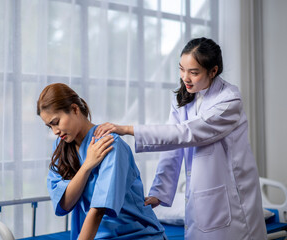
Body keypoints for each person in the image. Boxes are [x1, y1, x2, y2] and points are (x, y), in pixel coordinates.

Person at [94, 37, 267, 240]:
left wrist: (128, 129)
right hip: (203, 198)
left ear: (213, 71)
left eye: (194, 72)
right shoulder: (184, 99)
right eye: (182, 69)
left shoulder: (229, 100)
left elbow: (187, 133)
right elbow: (173, 148)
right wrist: (159, 191)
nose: (186, 78)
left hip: (233, 199)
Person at [37, 83, 167, 240]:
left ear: (75, 109)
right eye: (49, 126)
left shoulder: (110, 144)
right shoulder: (60, 146)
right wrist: (86, 167)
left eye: (56, 122)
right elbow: (65, 203)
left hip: (136, 234)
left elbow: (99, 210)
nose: (55, 131)